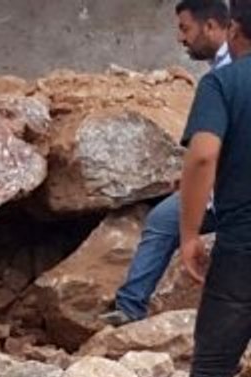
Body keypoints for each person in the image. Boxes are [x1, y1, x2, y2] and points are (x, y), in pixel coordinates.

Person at [157, 0, 251, 377]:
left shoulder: (223, 85)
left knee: (213, 371)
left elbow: (201, 155)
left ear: (234, 30)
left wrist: (189, 233)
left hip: (241, 248)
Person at [100, 0, 232, 327]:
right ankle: (130, 307)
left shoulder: (228, 76)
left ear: (212, 26)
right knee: (161, 220)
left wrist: (199, 179)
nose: (180, 38)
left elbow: (209, 151)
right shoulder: (220, 69)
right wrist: (191, 179)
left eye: (185, 28)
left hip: (233, 192)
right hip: (218, 188)